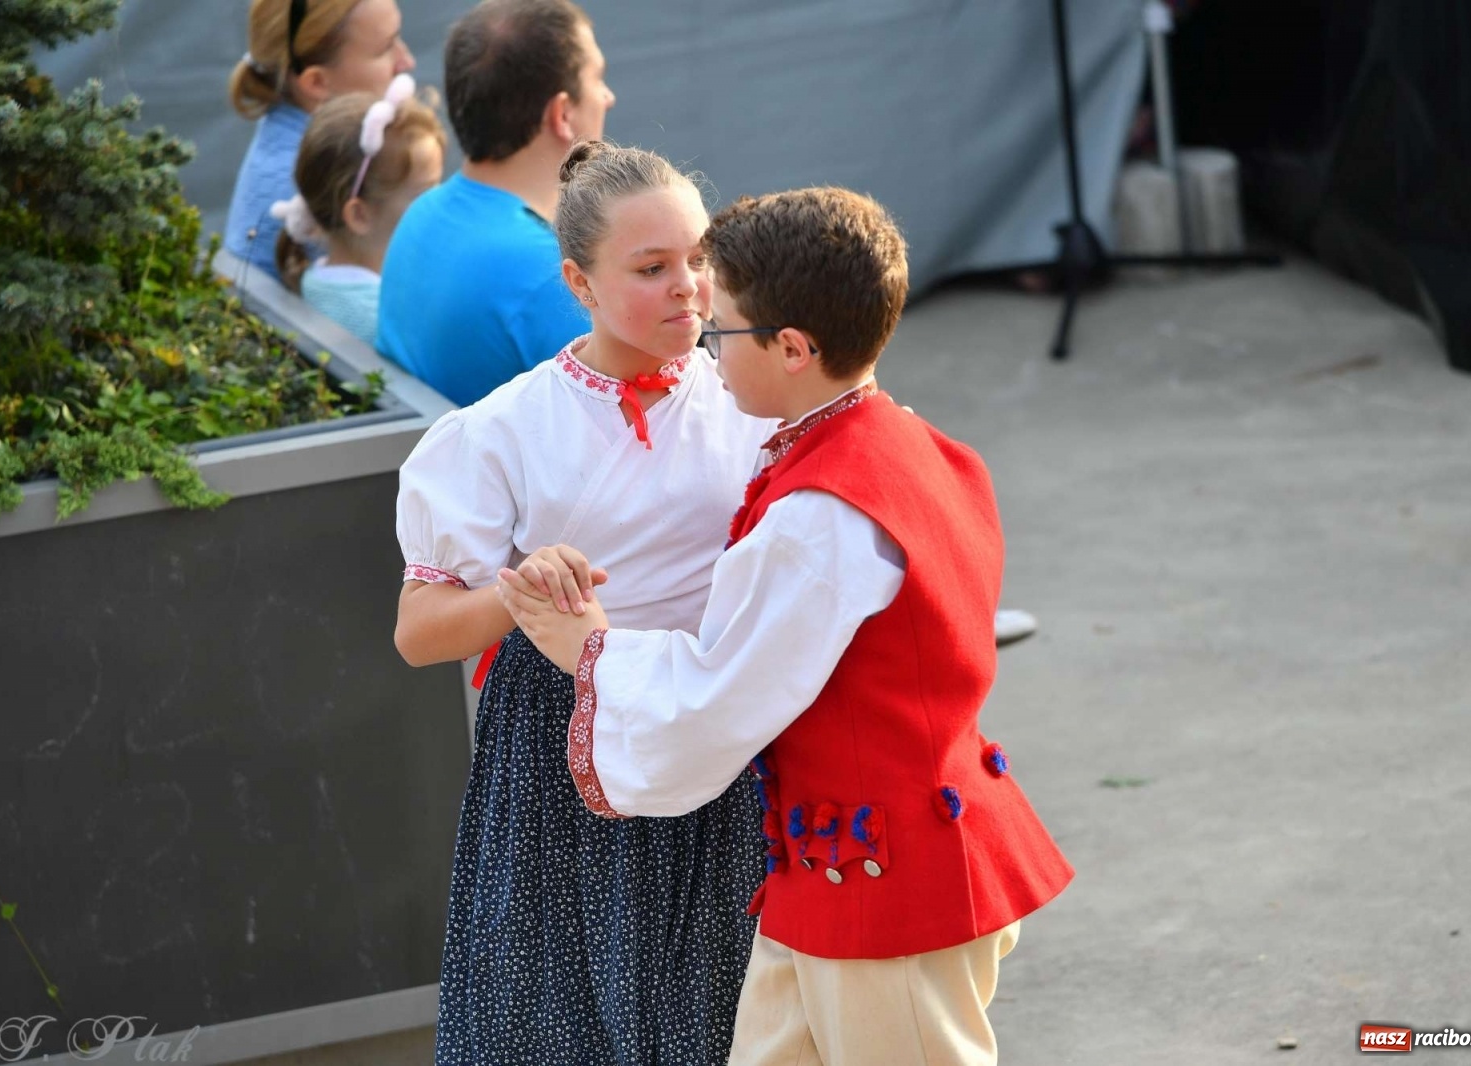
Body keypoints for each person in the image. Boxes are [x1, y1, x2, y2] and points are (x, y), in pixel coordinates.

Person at [497, 187, 1074, 1065]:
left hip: (883, 889)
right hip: (840, 866)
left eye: (721, 328)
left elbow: (725, 695)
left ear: (793, 348)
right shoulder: (903, 442)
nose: (705, 345)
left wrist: (590, 648)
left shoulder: (818, 518)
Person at [394, 142, 776, 1066]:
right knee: (567, 1018)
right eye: (650, 269)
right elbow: (420, 633)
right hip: (570, 749)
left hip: (722, 718)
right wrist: (518, 592)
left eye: (699, 258)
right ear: (579, 282)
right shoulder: (503, 429)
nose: (687, 287)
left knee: (730, 1011)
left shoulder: (757, 393)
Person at [376, 0, 614, 405]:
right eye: (597, 78)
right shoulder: (554, 275)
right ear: (561, 114)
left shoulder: (422, 214)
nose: (608, 97)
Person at [225, 0, 415, 282]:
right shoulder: (318, 188)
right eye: (385, 48)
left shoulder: (288, 137)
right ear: (316, 83)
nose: (407, 61)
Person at [269, 76, 445, 345]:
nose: (442, 202)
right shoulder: (387, 323)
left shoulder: (313, 281)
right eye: (425, 193)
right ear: (359, 216)